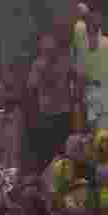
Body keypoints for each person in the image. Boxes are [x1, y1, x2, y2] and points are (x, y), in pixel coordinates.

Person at [26, 32, 83, 174]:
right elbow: (31, 88)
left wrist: (76, 93)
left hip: (64, 113)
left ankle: (69, 177)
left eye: (51, 44)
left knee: (66, 151)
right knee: (48, 154)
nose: (48, 48)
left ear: (56, 46)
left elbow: (77, 77)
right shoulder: (37, 65)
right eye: (45, 45)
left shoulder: (65, 61)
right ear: (41, 47)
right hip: (46, 116)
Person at [73, 7, 108, 142]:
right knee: (97, 137)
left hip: (107, 96)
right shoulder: (81, 47)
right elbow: (79, 76)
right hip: (93, 96)